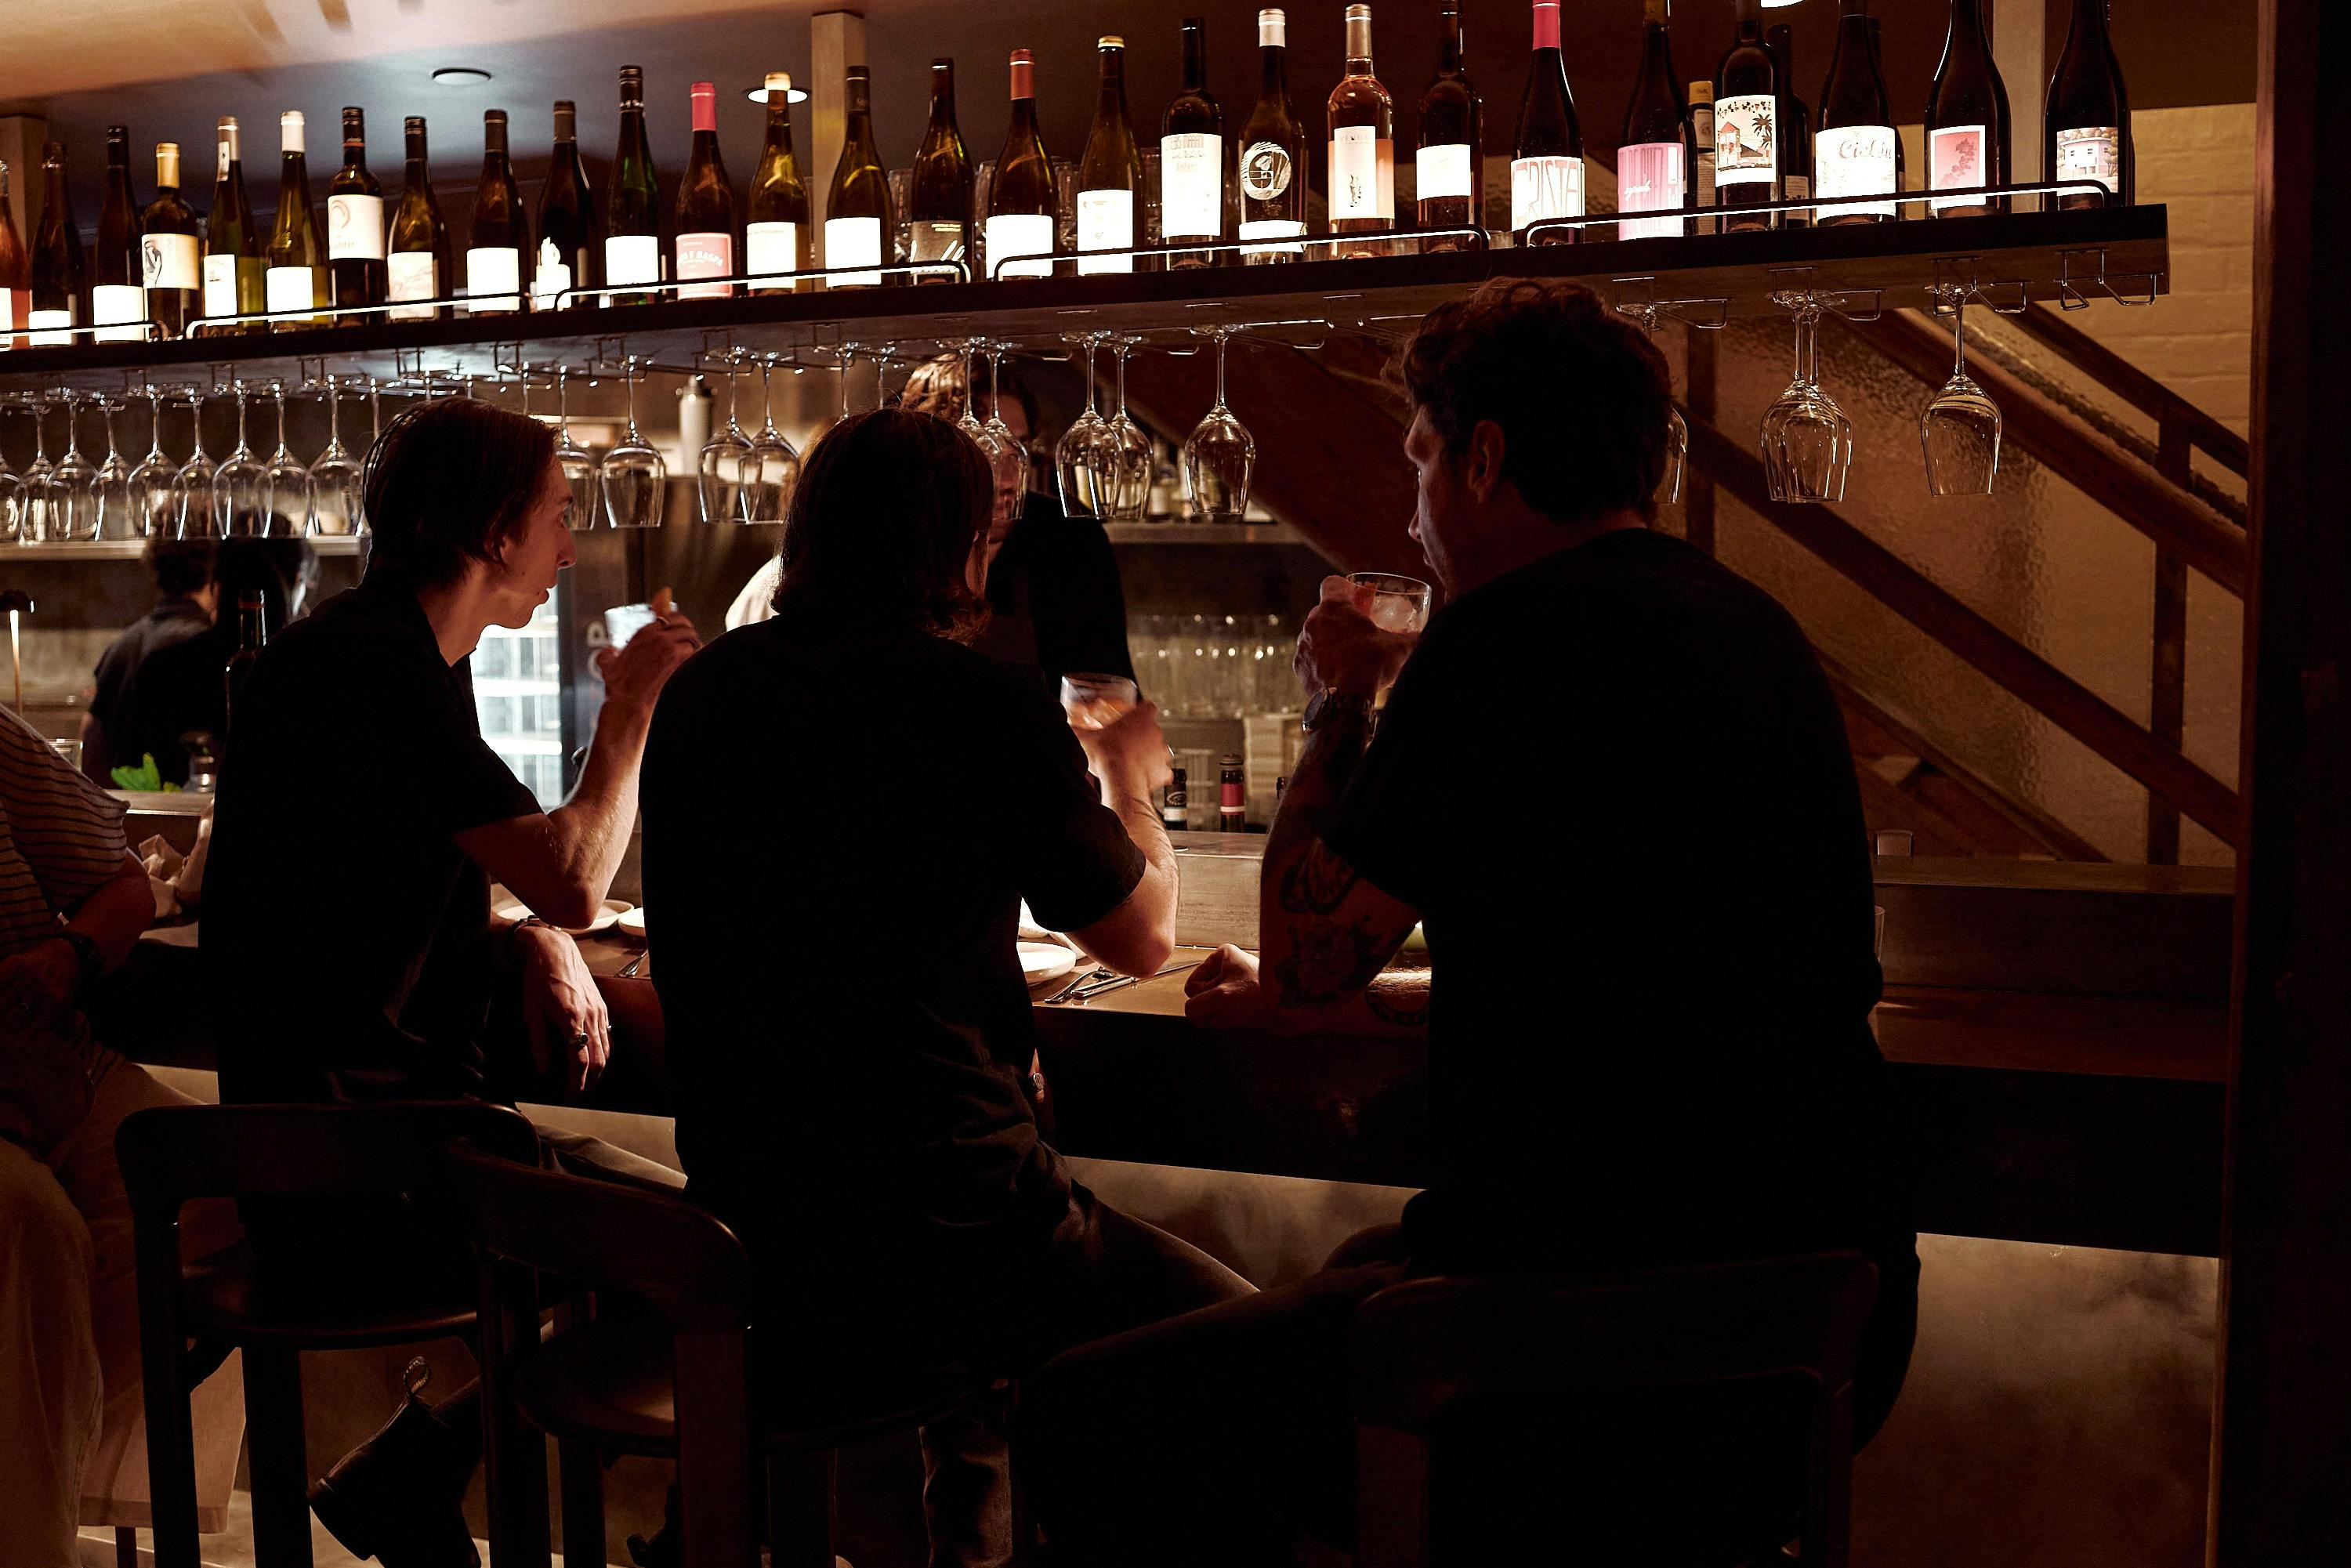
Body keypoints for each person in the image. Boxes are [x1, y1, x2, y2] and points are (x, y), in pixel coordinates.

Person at [1022, 277, 1919, 1565]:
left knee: (1086, 1414)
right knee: (1360, 1260)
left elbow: (1311, 947)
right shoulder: (1752, 628)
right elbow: (1625, 987)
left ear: (1486, 457)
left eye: (1423, 457)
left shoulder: (1497, 643)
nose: (1412, 502)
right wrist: (1367, 999)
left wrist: (1342, 698)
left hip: (1565, 1355)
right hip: (1818, 1336)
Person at [642, 409, 1248, 1567]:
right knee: (1235, 1345)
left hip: (754, 1226)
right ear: (967, 548)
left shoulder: (705, 693)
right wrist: (1130, 782)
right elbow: (1141, 938)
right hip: (953, 1225)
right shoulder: (979, 701)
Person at [201, 396, 701, 1566]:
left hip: (303, 1155)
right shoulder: (381, 670)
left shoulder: (368, 652)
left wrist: (520, 937)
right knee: (705, 1243)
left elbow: (379, 884)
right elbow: (576, 876)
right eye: (561, 518)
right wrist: (630, 710)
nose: (572, 549)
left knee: (661, 1231)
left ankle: (407, 1481)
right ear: (494, 535)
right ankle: (671, 1542)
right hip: (370, 1175)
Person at [0, 702, 241, 1566]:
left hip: (60, 1062)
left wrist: (68, 958)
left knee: (229, 1183)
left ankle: (44, 1476)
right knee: (33, 1228)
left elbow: (123, 885)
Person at [725, 356, 1136, 690]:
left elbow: (1109, 687)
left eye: (1019, 449)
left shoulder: (1067, 535)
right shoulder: (878, 550)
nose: (1007, 475)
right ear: (926, 458)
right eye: (986, 451)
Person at [116, 541, 288, 787]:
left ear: (216, 590)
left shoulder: (164, 666)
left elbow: (126, 770)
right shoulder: (297, 670)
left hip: (177, 817)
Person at [79, 537, 216, 784]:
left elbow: (91, 739)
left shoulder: (123, 644)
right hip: (180, 811)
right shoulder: (203, 647)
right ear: (213, 576)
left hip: (124, 809)